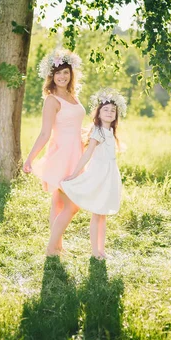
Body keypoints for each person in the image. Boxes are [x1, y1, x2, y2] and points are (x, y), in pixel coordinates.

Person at [23, 48, 86, 256]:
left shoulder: (72, 96)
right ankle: (52, 248)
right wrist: (30, 159)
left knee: (59, 203)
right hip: (61, 155)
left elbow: (73, 124)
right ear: (52, 76)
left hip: (76, 153)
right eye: (58, 73)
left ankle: (58, 247)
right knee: (73, 205)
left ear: (71, 74)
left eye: (65, 72)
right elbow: (44, 133)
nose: (62, 76)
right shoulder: (52, 100)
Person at [60, 88, 126, 259]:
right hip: (99, 175)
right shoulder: (98, 131)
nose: (110, 113)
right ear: (98, 112)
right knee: (97, 213)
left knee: (102, 214)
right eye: (106, 109)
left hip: (109, 175)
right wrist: (75, 173)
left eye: (113, 110)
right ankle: (95, 251)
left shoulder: (111, 131)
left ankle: (101, 250)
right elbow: (87, 154)